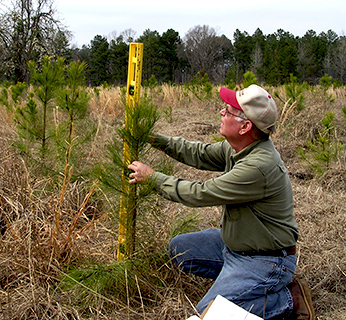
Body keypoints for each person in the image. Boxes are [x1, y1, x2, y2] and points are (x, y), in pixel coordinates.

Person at [128, 85, 312, 319]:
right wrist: (154, 139)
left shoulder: (258, 166)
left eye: (227, 111)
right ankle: (239, 285)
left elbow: (201, 193)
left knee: (209, 315)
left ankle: (287, 300)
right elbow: (199, 153)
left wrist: (152, 178)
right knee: (180, 249)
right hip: (234, 246)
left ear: (245, 127)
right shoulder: (238, 147)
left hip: (266, 259)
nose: (221, 114)